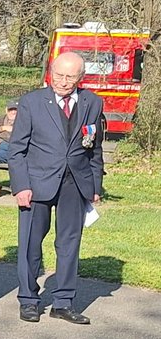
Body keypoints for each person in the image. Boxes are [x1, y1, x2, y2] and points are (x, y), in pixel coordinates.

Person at [9, 51, 104, 324]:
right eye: (58, 75)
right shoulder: (31, 102)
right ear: (51, 72)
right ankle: (28, 299)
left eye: (70, 77)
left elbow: (94, 147)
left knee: (69, 243)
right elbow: (17, 150)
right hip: (36, 183)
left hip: (75, 183)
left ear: (81, 77)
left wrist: (95, 184)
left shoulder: (92, 103)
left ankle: (63, 302)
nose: (63, 82)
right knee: (31, 243)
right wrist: (21, 186)